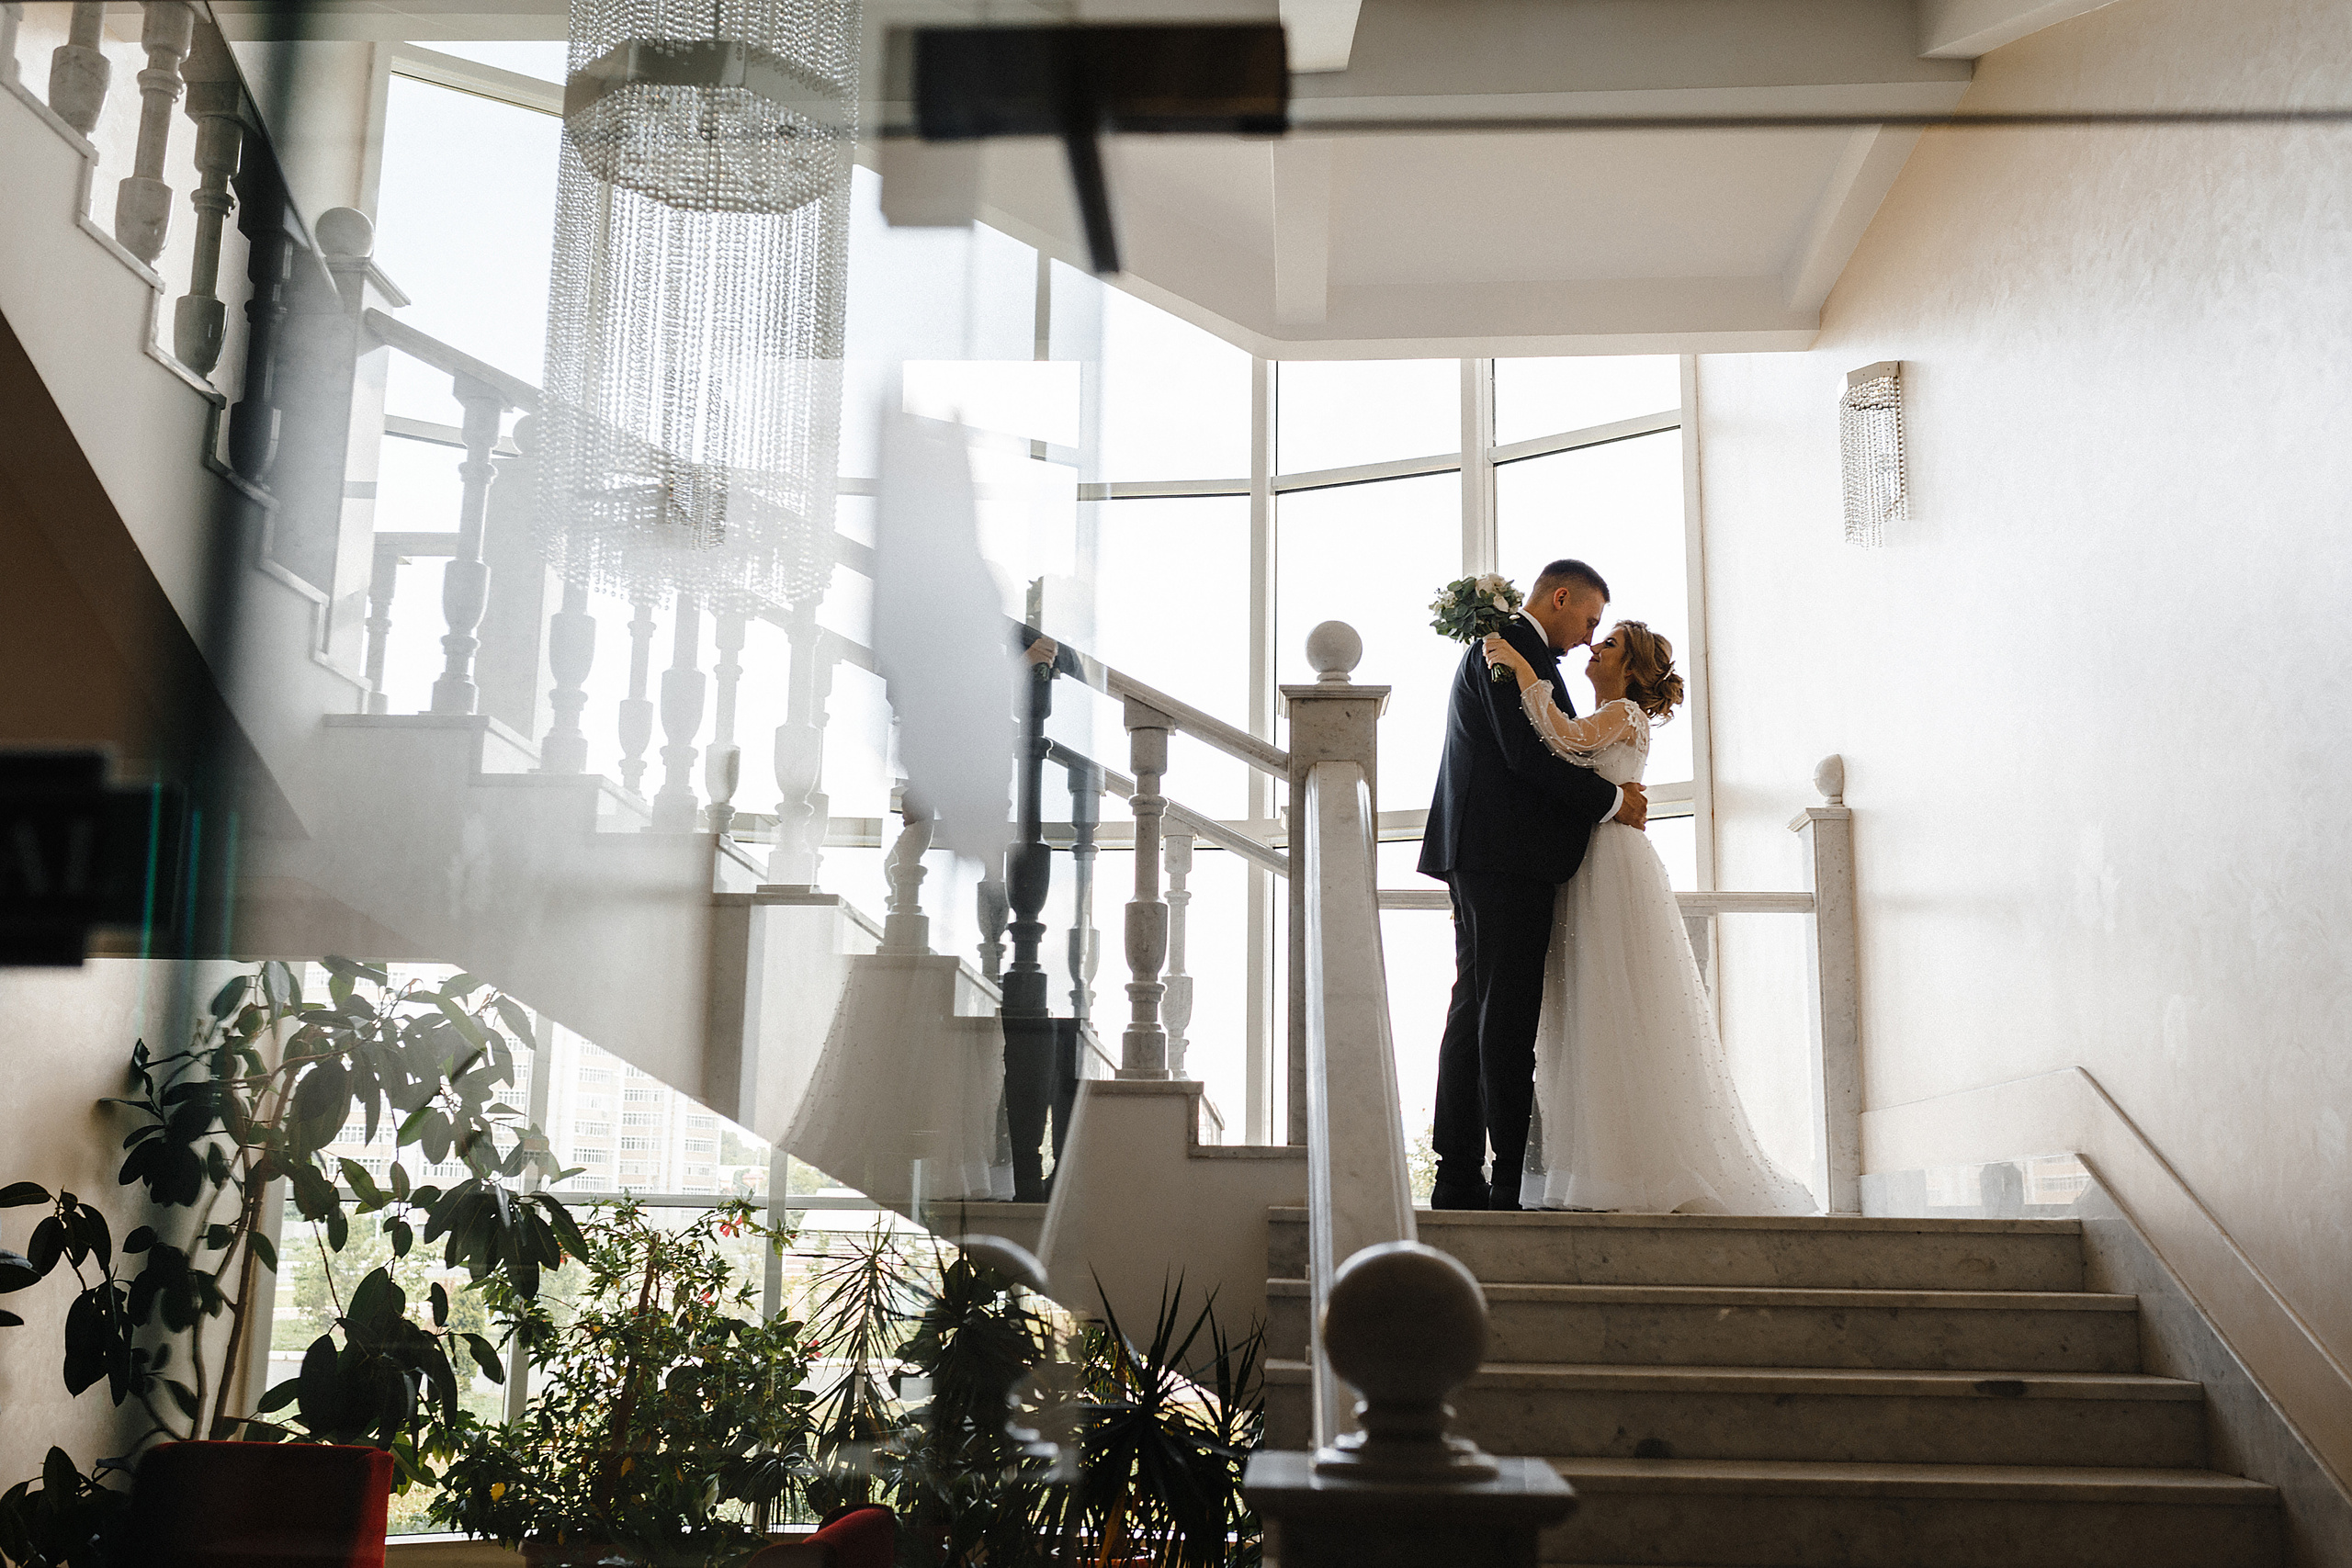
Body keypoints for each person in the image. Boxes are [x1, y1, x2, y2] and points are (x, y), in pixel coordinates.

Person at [1484, 622, 1813, 1214]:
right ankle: (1602, 1164)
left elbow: (1563, 736)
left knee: (1613, 1001)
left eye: (1607, 645)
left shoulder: (1624, 714)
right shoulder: (1614, 716)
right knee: (1590, 1008)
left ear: (1632, 672)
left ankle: (1629, 1173)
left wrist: (1524, 672)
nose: (1593, 648)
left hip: (1611, 866)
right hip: (1591, 862)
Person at [1419, 559, 1647, 1211]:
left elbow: (1549, 743)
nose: (1586, 637)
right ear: (1562, 596)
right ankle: (1500, 1184)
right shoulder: (1505, 649)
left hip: (1490, 853)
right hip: (1502, 856)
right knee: (1506, 1020)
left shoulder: (1514, 649)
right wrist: (1610, 801)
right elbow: (1525, 753)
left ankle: (1461, 1173)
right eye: (1589, 620)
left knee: (1478, 1010)